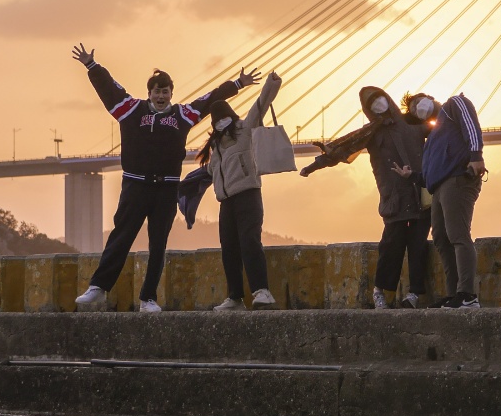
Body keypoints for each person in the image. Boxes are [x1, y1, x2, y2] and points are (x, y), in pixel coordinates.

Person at [72, 44, 257, 312]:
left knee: (158, 244)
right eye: (157, 91)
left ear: (172, 93)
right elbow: (110, 90)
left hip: (166, 189)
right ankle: (99, 288)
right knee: (121, 236)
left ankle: (148, 298)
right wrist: (92, 65)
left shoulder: (183, 114)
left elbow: (209, 99)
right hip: (135, 185)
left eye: (165, 91)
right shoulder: (131, 110)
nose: (161, 95)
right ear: (149, 93)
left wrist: (238, 83)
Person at [299, 87, 432, 309]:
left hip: (420, 194)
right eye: (372, 104)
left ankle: (415, 294)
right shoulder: (371, 132)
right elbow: (342, 148)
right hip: (394, 198)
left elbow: (441, 123)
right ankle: (381, 292)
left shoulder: (413, 124)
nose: (379, 104)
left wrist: (424, 103)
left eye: (380, 98)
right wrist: (314, 166)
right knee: (391, 245)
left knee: (418, 245)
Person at [199, 71, 283, 311]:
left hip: (248, 196)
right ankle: (235, 297)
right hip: (226, 202)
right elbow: (213, 173)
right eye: (216, 119)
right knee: (229, 249)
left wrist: (271, 84)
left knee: (249, 242)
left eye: (223, 116)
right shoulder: (216, 148)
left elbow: (260, 106)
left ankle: (262, 292)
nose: (220, 121)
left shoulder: (245, 130)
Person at [418, 91, 485, 309]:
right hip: (439, 187)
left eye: (419, 102)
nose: (418, 108)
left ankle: (467, 294)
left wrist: (476, 155)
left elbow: (471, 124)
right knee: (440, 237)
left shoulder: (455, 103)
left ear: (431, 98)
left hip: (457, 178)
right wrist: (412, 176)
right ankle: (453, 293)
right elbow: (430, 169)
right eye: (413, 109)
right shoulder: (434, 134)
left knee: (458, 234)